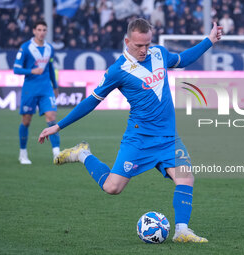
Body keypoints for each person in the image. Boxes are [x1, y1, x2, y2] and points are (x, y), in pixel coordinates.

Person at [39, 18, 222, 242]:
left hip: (167, 138)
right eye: (139, 46)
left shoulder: (159, 53)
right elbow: (91, 101)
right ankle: (82, 153)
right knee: (112, 188)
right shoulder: (118, 70)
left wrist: (210, 40)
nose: (144, 50)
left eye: (147, 44)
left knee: (186, 179)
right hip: (139, 140)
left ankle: (181, 231)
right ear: (127, 41)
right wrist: (58, 126)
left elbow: (184, 59)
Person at [14, 20, 60, 164]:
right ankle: (23, 153)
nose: (42, 32)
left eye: (44, 30)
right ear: (34, 31)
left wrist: (55, 86)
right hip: (30, 89)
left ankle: (57, 153)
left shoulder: (49, 48)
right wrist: (31, 70)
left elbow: (50, 68)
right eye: (39, 30)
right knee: (26, 121)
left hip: (46, 89)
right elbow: (16, 69)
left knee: (52, 117)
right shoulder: (25, 48)